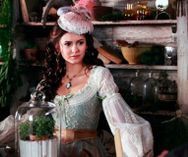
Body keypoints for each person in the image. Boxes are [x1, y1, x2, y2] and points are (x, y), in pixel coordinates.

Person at [34, 5, 154, 157]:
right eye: (68, 44)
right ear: (58, 47)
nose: (75, 50)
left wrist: (135, 150)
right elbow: (31, 122)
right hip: (53, 151)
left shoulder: (99, 75)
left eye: (80, 42)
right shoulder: (49, 81)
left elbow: (119, 120)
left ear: (87, 44)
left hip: (87, 152)